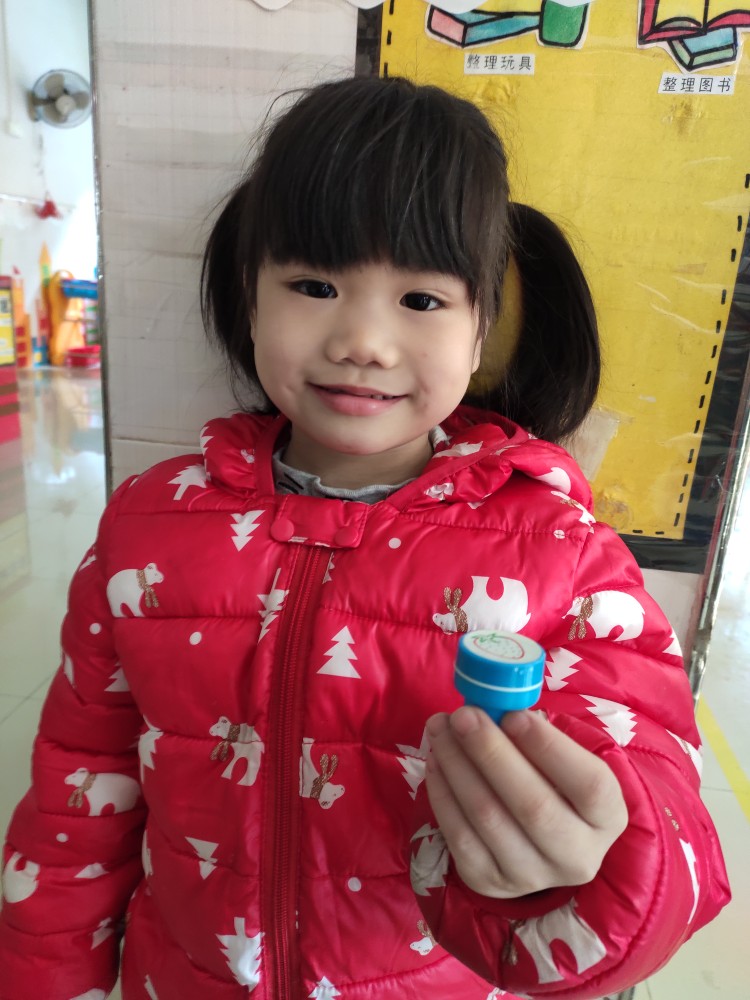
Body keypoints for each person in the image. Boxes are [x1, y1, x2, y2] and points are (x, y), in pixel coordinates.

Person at [0, 76, 729, 1000]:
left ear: (482, 334)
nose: (363, 342)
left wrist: (597, 864)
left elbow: (663, 796)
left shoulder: (561, 550)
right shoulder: (146, 525)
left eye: (421, 299)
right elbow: (79, 783)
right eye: (314, 286)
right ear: (251, 299)